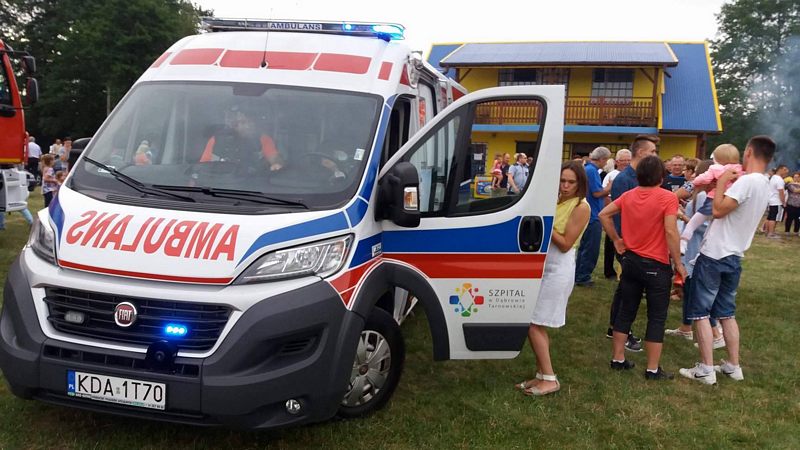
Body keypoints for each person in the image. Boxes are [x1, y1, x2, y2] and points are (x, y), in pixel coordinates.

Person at [679, 136, 777, 385]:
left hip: (715, 253)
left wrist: (721, 182)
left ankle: (706, 369)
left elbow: (718, 210)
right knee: (726, 313)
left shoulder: (746, 182)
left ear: (749, 151)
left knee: (700, 313)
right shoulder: (765, 183)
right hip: (735, 254)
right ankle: (733, 366)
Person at [599, 155, 686, 380]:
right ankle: (652, 368)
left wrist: (616, 239)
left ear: (638, 175)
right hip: (656, 264)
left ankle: (618, 359)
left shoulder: (629, 195)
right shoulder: (667, 197)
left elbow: (603, 214)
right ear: (661, 177)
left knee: (626, 310)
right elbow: (670, 231)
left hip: (631, 262)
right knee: (656, 316)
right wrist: (678, 263)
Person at [516, 160, 590, 396]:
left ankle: (549, 378)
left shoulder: (581, 207)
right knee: (536, 323)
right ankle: (541, 375)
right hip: (543, 265)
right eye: (562, 180)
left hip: (559, 268)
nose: (565, 186)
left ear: (579, 184)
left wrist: (544, 224)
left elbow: (566, 243)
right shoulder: (558, 200)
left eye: (571, 182)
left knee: (534, 323)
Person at [606, 134, 660, 351]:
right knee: (627, 291)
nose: (655, 155)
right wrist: (620, 241)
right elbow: (619, 214)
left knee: (626, 289)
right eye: (653, 151)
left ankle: (616, 327)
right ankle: (619, 330)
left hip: (641, 244)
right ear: (641, 152)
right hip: (628, 244)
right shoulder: (625, 179)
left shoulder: (641, 176)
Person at [664, 159, 725, 348]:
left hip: (696, 249)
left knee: (698, 294)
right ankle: (686, 328)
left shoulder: (704, 195)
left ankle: (715, 333)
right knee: (690, 292)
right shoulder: (703, 195)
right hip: (694, 248)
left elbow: (705, 224)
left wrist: (684, 217)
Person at [679, 144, 742, 252]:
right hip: (727, 199)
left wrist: (695, 182)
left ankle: (683, 241)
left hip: (713, 198)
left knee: (694, 223)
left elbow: (704, 179)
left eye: (696, 172)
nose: (693, 175)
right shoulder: (739, 170)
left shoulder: (715, 170)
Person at [574, 146, 612, 287]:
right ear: (602, 159)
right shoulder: (592, 171)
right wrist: (609, 188)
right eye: (606, 160)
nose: (606, 163)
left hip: (588, 213)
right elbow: (597, 193)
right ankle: (583, 276)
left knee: (584, 247)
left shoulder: (587, 169)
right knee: (591, 248)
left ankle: (578, 274)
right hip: (593, 214)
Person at [199, 108, 283, 171]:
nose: (248, 126)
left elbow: (274, 158)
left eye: (250, 122)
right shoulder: (217, 140)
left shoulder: (263, 139)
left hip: (254, 184)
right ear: (235, 125)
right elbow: (203, 166)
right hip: (221, 184)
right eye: (243, 122)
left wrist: (276, 164)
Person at [602, 149, 632, 279]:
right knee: (610, 243)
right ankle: (609, 271)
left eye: (628, 160)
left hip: (627, 215)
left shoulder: (633, 175)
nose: (625, 163)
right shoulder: (611, 175)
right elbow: (606, 196)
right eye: (623, 160)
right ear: (617, 161)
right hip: (613, 213)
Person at [765, 165, 789, 238]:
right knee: (774, 218)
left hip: (771, 200)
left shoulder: (773, 177)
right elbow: (781, 192)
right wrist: (783, 202)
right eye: (785, 170)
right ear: (780, 169)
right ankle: (771, 233)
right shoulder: (779, 180)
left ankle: (767, 232)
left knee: (770, 217)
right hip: (777, 201)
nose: (786, 172)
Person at [784, 171, 800, 236]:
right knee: (789, 218)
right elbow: (795, 190)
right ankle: (787, 231)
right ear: (792, 178)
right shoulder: (790, 184)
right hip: (791, 204)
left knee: (798, 219)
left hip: (799, 205)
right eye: (795, 177)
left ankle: (796, 231)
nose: (796, 178)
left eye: (798, 177)